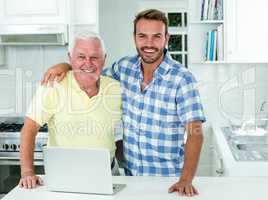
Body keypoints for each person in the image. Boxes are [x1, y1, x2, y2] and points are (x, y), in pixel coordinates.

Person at [41, 9, 206, 196]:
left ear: (166, 38)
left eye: (156, 36)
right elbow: (91, 71)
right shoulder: (124, 68)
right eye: (142, 36)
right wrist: (66, 66)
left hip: (167, 182)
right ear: (134, 37)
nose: (149, 44)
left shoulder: (182, 79)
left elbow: (196, 132)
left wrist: (186, 179)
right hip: (130, 181)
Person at [19, 31, 122, 189]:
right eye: (81, 57)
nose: (88, 63)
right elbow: (29, 128)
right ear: (70, 58)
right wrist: (27, 172)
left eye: (94, 57)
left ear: (104, 59)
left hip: (109, 174)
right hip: (64, 175)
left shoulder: (115, 88)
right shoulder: (54, 86)